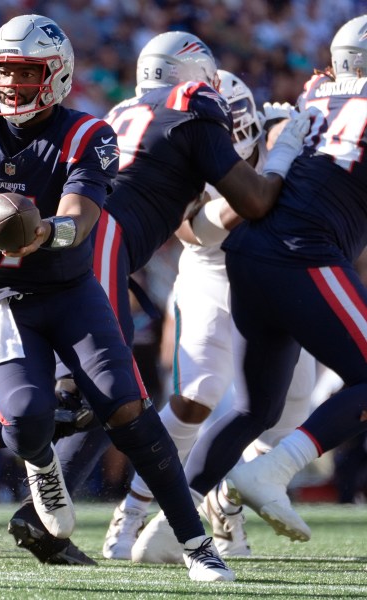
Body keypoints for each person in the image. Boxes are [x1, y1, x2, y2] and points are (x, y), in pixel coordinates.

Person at [0, 15, 243, 582]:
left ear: (57, 75)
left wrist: (47, 232)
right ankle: (42, 468)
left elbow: (83, 215)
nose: (12, 84)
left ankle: (195, 544)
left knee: (127, 406)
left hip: (68, 291)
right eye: (4, 71)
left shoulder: (88, 133)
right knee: (26, 419)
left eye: (27, 71)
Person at [104, 71, 318, 563]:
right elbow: (190, 231)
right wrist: (268, 182)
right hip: (211, 278)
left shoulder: (277, 130)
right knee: (194, 399)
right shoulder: (185, 142)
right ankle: (132, 514)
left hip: (273, 280)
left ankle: (226, 500)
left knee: (290, 417)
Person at [176, 13, 367, 544]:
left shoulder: (319, 98)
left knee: (252, 407)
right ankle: (273, 471)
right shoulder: (327, 98)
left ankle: (172, 529)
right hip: (300, 255)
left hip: (249, 255)